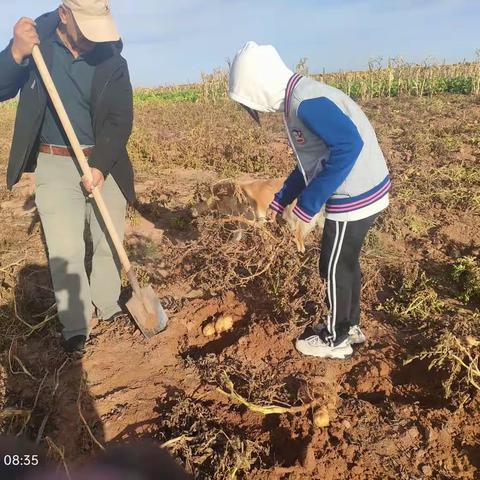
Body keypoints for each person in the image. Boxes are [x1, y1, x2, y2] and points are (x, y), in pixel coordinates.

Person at [228, 41, 391, 359]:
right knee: (344, 262)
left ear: (258, 84)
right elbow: (313, 160)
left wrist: (308, 204)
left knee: (331, 265)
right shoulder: (299, 98)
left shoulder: (305, 103)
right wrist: (283, 198)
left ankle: (335, 339)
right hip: (365, 187)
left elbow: (348, 145)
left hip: (354, 192)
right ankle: (350, 327)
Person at [0, 0, 135, 355]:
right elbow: (1, 88)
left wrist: (100, 166)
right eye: (87, 27)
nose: (95, 39)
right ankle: (76, 324)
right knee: (66, 249)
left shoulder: (112, 60)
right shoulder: (36, 44)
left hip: (105, 159)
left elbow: (120, 120)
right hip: (54, 161)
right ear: (64, 15)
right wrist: (15, 52)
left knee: (108, 239)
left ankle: (108, 305)